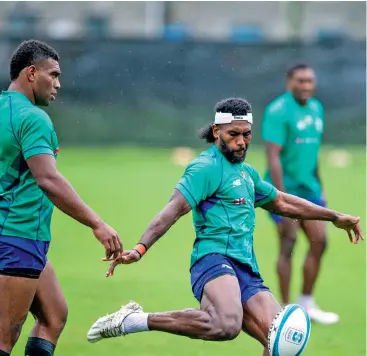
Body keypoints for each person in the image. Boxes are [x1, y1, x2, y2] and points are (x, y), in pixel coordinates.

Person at [87, 98, 363, 355]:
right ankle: (135, 320)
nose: (241, 142)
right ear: (217, 131)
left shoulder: (247, 173)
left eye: (246, 134)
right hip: (213, 259)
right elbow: (173, 210)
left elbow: (281, 202)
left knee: (281, 341)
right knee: (225, 326)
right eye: (234, 134)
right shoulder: (204, 168)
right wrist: (139, 249)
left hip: (246, 267)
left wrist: (334, 217)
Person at [0, 39, 122, 356]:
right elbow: (49, 179)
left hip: (20, 236)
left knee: (54, 315)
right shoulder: (34, 118)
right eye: (52, 75)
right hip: (17, 236)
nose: (58, 84)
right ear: (30, 73)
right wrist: (97, 223)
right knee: (3, 340)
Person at [261, 63, 340, 324]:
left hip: (310, 189)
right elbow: (273, 157)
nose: (306, 86)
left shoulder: (317, 108)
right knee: (289, 245)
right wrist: (281, 199)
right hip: (284, 189)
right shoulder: (278, 111)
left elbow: (312, 154)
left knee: (320, 241)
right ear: (289, 83)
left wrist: (321, 189)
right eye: (300, 81)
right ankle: (285, 310)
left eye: (310, 81)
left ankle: (306, 304)